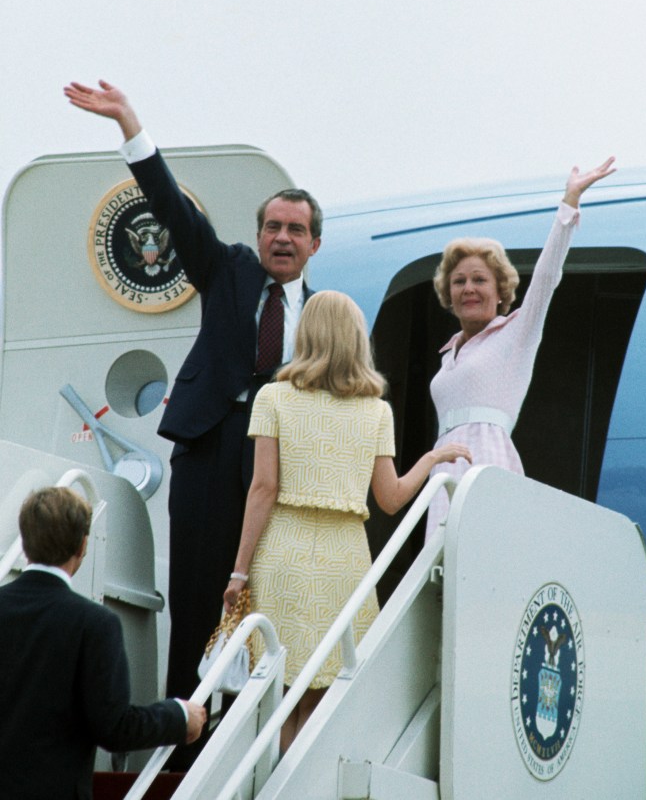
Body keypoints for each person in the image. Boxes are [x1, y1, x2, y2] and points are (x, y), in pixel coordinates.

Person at [63, 80, 322, 712]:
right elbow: (172, 208)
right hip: (211, 445)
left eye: (296, 230)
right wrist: (130, 125)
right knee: (200, 589)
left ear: (315, 243)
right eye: (272, 227)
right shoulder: (226, 267)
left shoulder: (321, 314)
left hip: (275, 461)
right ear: (258, 235)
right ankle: (187, 728)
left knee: (259, 589)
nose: (282, 238)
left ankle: (246, 727)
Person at [223, 290, 472, 751]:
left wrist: (239, 570)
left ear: (307, 334)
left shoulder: (272, 398)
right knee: (320, 694)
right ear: (358, 339)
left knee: (274, 689)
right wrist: (433, 458)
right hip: (345, 557)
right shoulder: (377, 411)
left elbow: (263, 488)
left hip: (284, 549)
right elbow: (392, 498)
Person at [424, 157, 616, 537]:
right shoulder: (448, 354)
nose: (468, 288)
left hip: (487, 463)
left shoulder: (515, 333)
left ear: (500, 293)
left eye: (480, 279)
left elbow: (547, 275)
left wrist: (569, 203)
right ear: (449, 293)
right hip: (443, 467)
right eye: (459, 281)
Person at [0, 486, 206, 800]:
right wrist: (179, 717)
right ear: (83, 546)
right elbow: (114, 727)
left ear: (26, 542)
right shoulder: (94, 623)